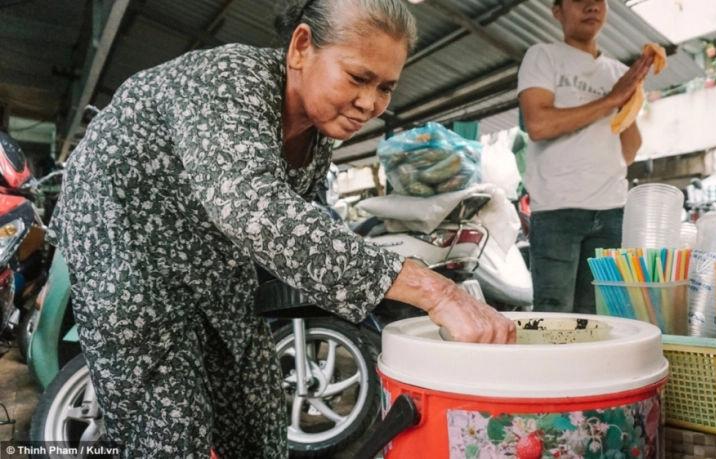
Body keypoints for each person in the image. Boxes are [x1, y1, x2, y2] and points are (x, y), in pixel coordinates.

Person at [46, 0, 516, 457]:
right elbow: (254, 208)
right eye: (358, 77)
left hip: (208, 256)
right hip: (124, 246)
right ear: (301, 47)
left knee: (258, 410)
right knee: (171, 429)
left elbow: (303, 227)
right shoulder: (227, 81)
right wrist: (435, 292)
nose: (370, 103)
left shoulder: (317, 132)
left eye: (386, 87)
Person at [517, 0, 654, 314]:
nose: (592, 5)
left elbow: (629, 150)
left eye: (599, 0)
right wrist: (611, 99)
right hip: (557, 208)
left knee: (600, 315)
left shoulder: (620, 73)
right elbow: (538, 125)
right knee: (555, 315)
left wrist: (625, 101)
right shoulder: (543, 56)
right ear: (557, 10)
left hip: (610, 209)